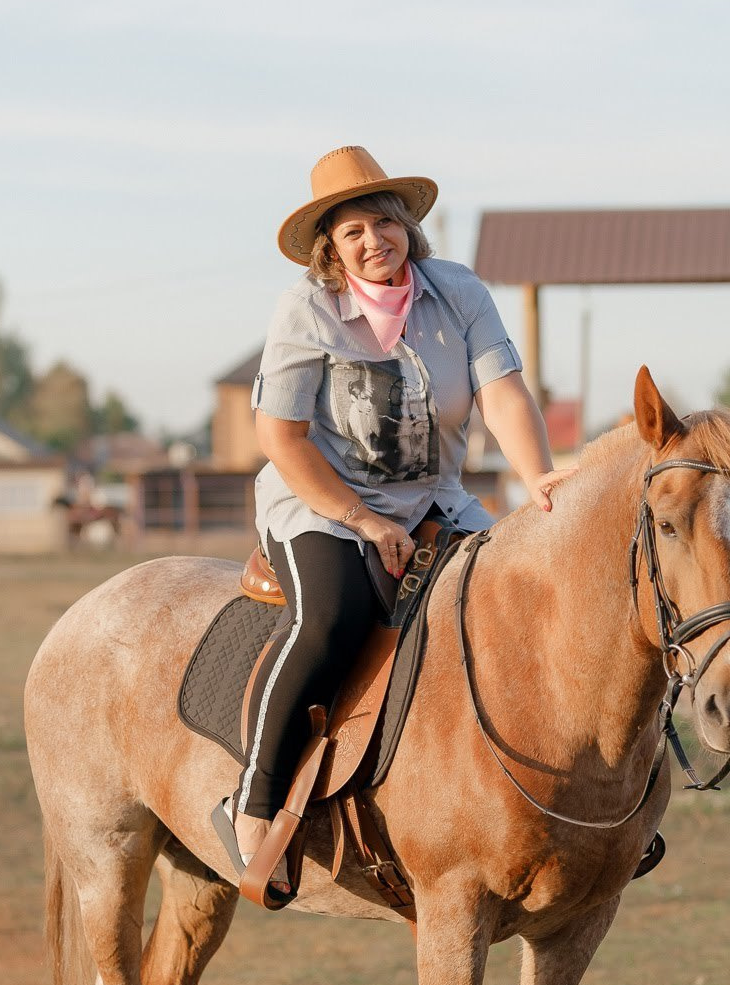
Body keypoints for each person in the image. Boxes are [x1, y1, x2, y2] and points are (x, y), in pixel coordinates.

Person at [215, 146, 576, 899]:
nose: (373, 241)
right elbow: (281, 438)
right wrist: (357, 517)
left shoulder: (459, 292)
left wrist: (537, 475)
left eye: (384, 222)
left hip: (434, 499)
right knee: (333, 619)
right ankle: (252, 804)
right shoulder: (305, 311)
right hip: (320, 500)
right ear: (330, 250)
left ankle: (572, 806)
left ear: (408, 226)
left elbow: (503, 392)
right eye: (353, 233)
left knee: (523, 602)